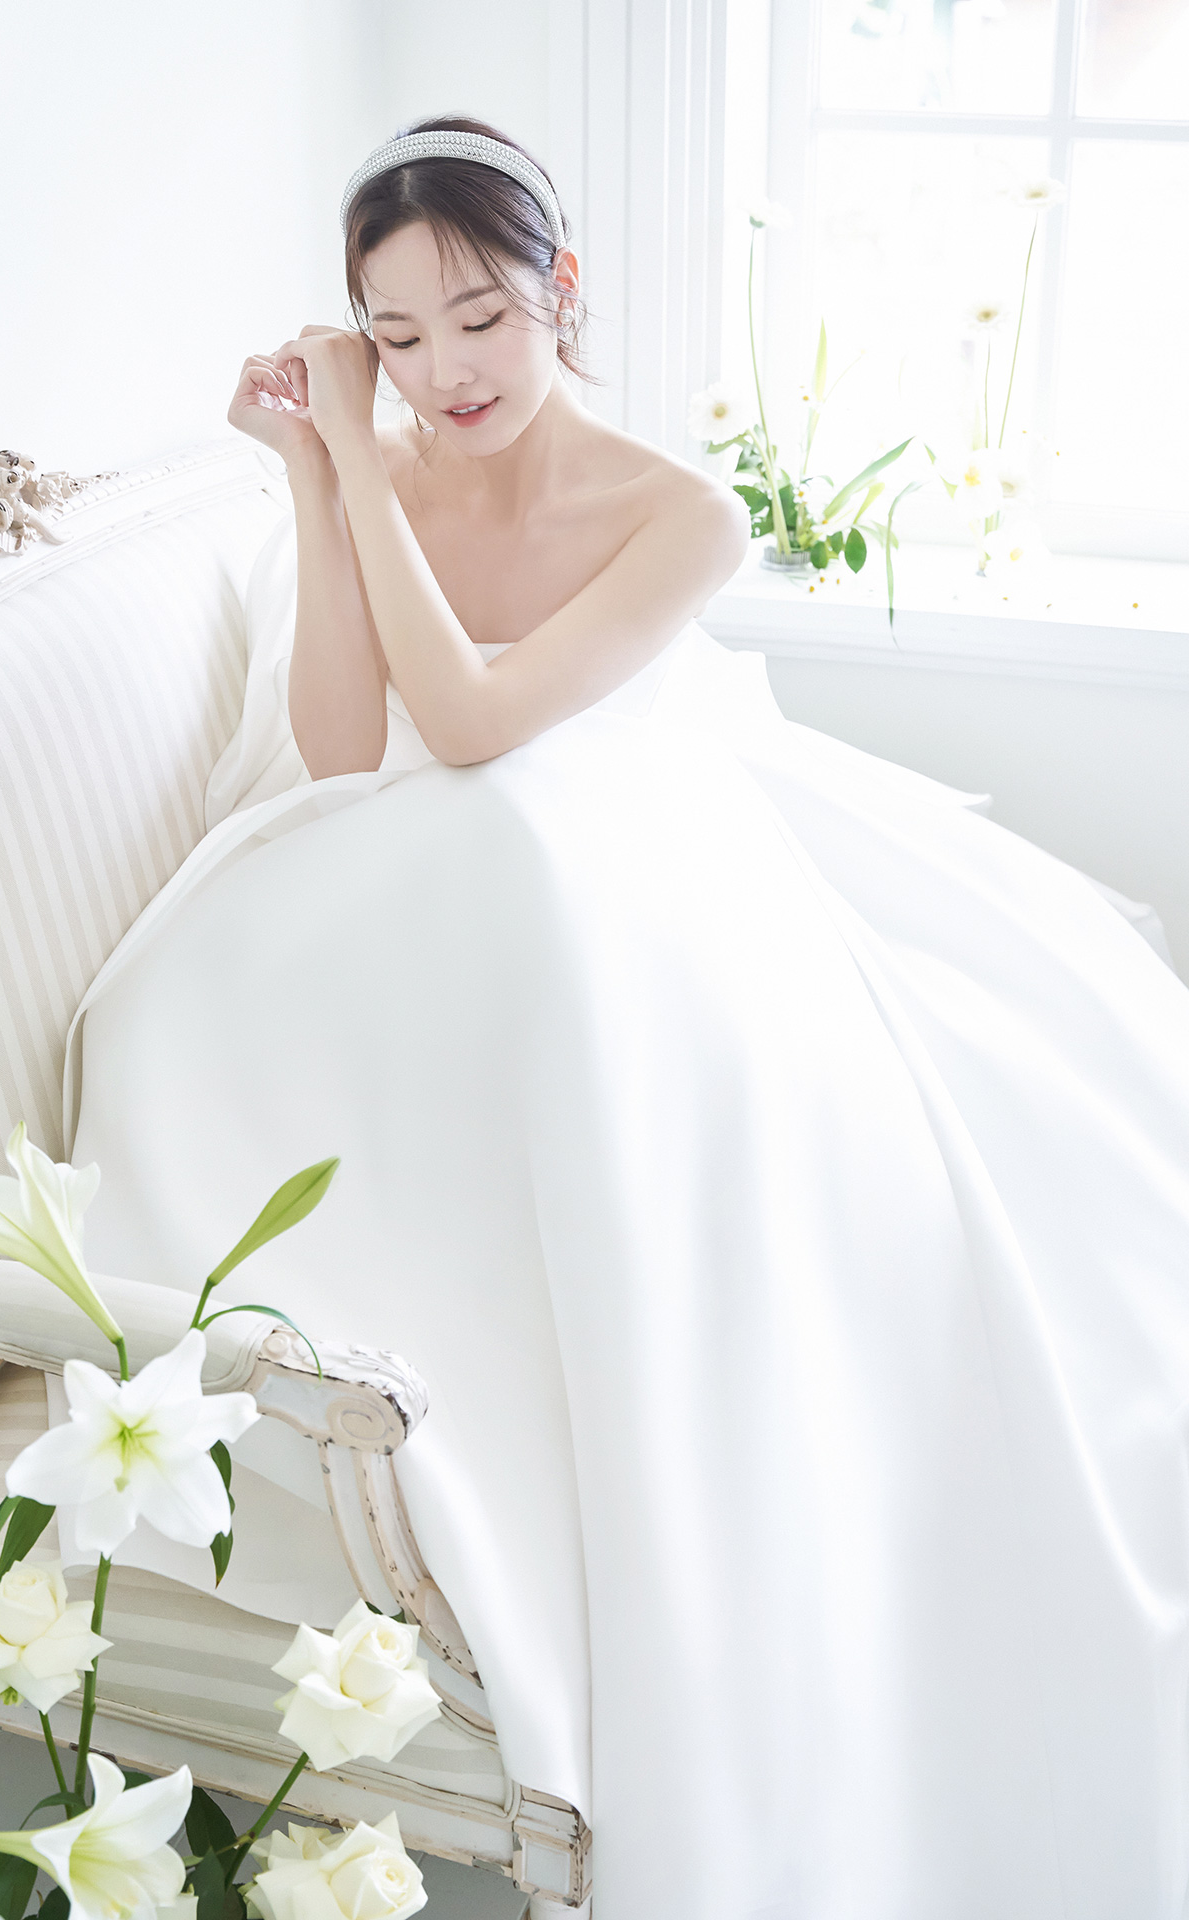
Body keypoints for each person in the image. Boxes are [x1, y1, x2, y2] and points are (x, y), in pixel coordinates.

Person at [68, 116, 1189, 1920]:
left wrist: (361, 467)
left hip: (596, 838)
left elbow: (480, 725)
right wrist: (315, 476)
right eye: (396, 335)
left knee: (545, 893)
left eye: (481, 319)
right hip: (412, 873)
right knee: (298, 964)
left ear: (563, 291)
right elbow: (346, 750)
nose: (445, 374)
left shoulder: (686, 514)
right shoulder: (381, 458)